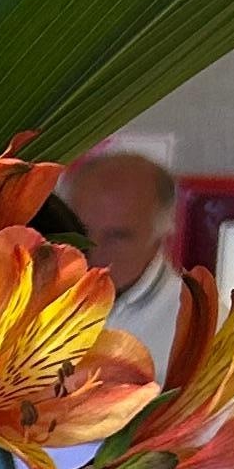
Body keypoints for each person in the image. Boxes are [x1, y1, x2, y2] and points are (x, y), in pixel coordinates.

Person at [63, 145, 188, 369]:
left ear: (162, 232)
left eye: (117, 237)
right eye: (80, 233)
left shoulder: (202, 332)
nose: (93, 254)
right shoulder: (24, 303)